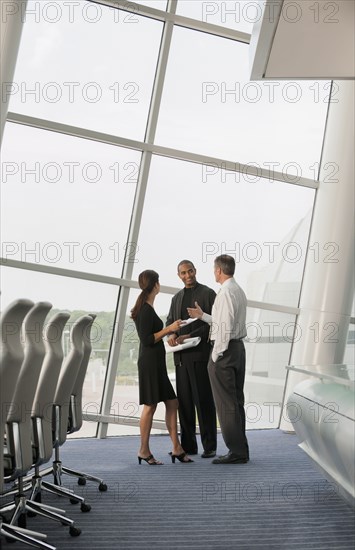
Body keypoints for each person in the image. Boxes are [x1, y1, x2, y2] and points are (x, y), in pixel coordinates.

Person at [187, 255, 249, 465]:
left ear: (219, 271)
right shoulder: (238, 291)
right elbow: (224, 321)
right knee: (236, 402)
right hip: (237, 350)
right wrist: (202, 315)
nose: (214, 273)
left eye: (214, 270)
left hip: (225, 352)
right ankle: (241, 448)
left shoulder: (224, 294)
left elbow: (224, 328)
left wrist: (215, 356)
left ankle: (236, 452)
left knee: (226, 405)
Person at [131, 269, 193, 465]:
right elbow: (147, 340)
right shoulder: (145, 310)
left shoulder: (147, 307)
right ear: (155, 285)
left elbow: (154, 338)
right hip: (149, 364)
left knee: (172, 402)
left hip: (156, 363)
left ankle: (176, 447)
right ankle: (143, 450)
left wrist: (173, 333)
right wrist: (169, 329)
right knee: (150, 406)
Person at [166, 260, 217, 458]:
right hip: (180, 357)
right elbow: (170, 321)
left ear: (195, 271)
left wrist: (188, 336)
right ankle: (188, 445)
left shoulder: (208, 293)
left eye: (190, 271)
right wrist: (171, 335)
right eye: (183, 273)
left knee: (203, 402)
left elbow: (213, 323)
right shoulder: (176, 298)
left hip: (200, 356)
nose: (187, 275)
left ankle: (210, 446)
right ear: (179, 275)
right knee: (185, 403)